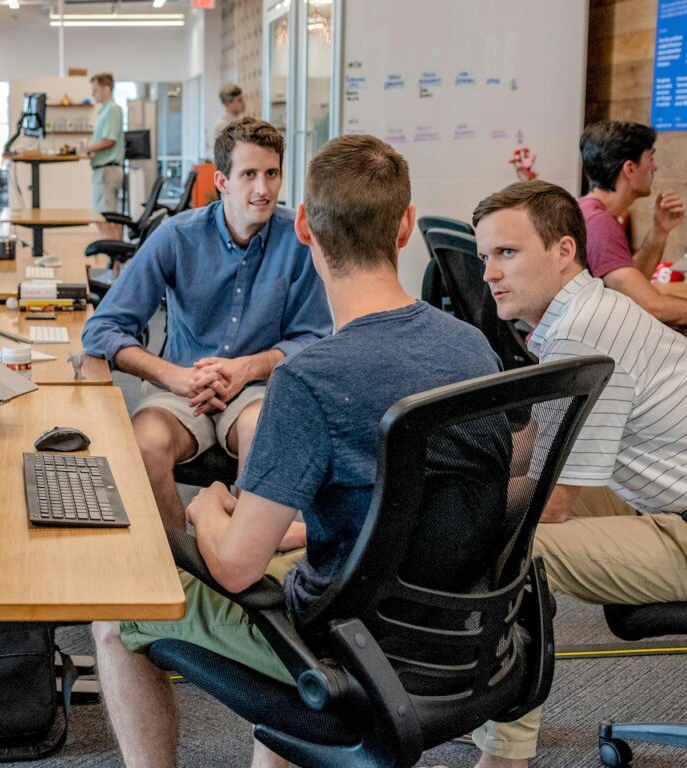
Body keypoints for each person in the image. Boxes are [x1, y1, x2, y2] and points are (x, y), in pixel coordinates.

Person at [91, 134, 507, 768]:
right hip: (459, 634)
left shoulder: (309, 382)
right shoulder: (472, 348)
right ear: (406, 227)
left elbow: (233, 569)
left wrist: (207, 507)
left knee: (112, 619)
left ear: (307, 227)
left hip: (347, 649)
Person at [472, 179, 687, 768]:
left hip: (680, 524)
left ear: (564, 251)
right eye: (484, 255)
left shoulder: (582, 331)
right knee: (495, 516)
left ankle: (505, 756)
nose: (489, 272)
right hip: (656, 498)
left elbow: (554, 501)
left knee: (519, 549)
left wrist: (447, 523)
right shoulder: (585, 311)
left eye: (507, 253)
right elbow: (539, 449)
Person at [82, 117, 331, 531]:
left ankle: (238, 561)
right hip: (182, 388)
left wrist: (247, 368)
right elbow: (102, 329)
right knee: (144, 445)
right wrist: (173, 376)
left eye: (272, 174)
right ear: (222, 180)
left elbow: (315, 339)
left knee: (264, 436)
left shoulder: (300, 240)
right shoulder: (176, 237)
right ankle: (183, 562)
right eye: (248, 174)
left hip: (256, 390)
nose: (263, 189)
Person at [578, 121, 687, 325]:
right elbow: (652, 306)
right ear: (629, 168)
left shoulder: (589, 210)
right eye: (650, 158)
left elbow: (629, 288)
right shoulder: (599, 224)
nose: (654, 167)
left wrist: (659, 231)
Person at [87, 72, 125, 240]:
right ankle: (115, 263)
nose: (92, 94)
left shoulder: (112, 110)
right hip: (104, 170)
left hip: (107, 171)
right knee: (107, 218)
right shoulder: (104, 111)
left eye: (95, 90)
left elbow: (110, 140)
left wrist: (88, 148)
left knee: (105, 219)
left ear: (107, 89)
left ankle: (115, 264)